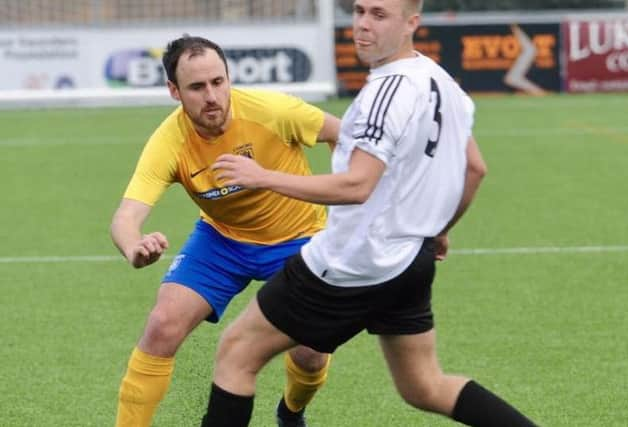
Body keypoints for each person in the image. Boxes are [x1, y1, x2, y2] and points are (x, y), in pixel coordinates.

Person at [199, 0, 538, 426]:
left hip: (352, 264)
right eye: (359, 11)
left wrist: (262, 176)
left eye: (379, 15)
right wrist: (437, 229)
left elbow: (357, 186)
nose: (362, 25)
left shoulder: (385, 91)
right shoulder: (440, 80)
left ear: (411, 23)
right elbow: (474, 169)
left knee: (236, 354)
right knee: (424, 386)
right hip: (409, 261)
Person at [110, 35, 341, 427]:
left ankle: (291, 412)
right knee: (161, 325)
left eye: (219, 82)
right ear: (174, 91)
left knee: (310, 353)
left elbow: (344, 133)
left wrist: (342, 208)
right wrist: (134, 246)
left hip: (300, 238)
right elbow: (125, 217)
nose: (212, 96)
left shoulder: (274, 110)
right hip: (223, 240)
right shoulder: (170, 140)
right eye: (197, 87)